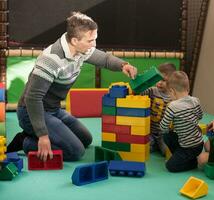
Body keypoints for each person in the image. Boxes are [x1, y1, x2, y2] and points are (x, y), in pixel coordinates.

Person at [7, 12, 137, 162]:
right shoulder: (51, 59)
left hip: (53, 109)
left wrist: (123, 65)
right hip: (31, 112)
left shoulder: (82, 50)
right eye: (91, 40)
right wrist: (42, 135)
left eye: (95, 39)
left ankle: (41, 133)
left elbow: (105, 59)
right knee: (75, 152)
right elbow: (32, 98)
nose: (94, 44)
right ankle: (26, 141)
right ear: (75, 40)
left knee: (85, 139)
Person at [160, 71, 204, 172]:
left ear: (172, 91)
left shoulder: (172, 106)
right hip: (199, 143)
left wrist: (169, 125)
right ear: (187, 88)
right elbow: (200, 116)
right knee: (169, 135)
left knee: (170, 166)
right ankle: (182, 157)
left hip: (188, 147)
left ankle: (193, 162)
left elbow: (163, 127)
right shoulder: (195, 100)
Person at [140, 63, 176, 155]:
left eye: (163, 80)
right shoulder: (152, 90)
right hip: (149, 131)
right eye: (158, 79)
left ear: (172, 81)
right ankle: (153, 144)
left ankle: (158, 145)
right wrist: (143, 80)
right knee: (145, 150)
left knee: (166, 152)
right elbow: (139, 93)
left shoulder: (173, 97)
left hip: (163, 134)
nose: (159, 83)